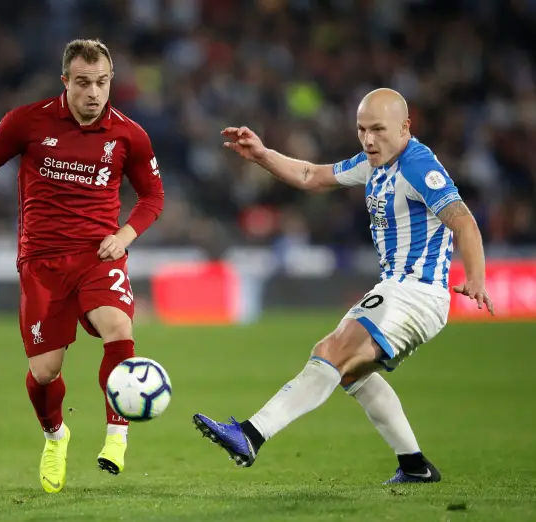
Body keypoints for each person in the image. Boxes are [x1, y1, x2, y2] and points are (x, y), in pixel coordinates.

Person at [193, 88, 494, 484]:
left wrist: (475, 277)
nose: (369, 139)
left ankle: (250, 434)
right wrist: (263, 155)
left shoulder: (418, 165)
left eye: (379, 130)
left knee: (330, 351)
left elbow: (464, 220)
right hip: (401, 290)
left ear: (405, 127)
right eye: (361, 129)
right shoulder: (374, 162)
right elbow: (311, 176)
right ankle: (415, 466)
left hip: (414, 291)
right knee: (352, 373)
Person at [0, 39, 164, 493]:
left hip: (98, 256)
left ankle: (117, 436)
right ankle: (56, 436)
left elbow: (153, 195)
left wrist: (125, 235)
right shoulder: (27, 121)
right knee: (45, 372)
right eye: (83, 83)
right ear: (65, 82)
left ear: (111, 81)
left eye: (102, 83)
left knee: (119, 328)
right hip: (41, 263)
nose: (94, 93)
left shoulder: (129, 134)